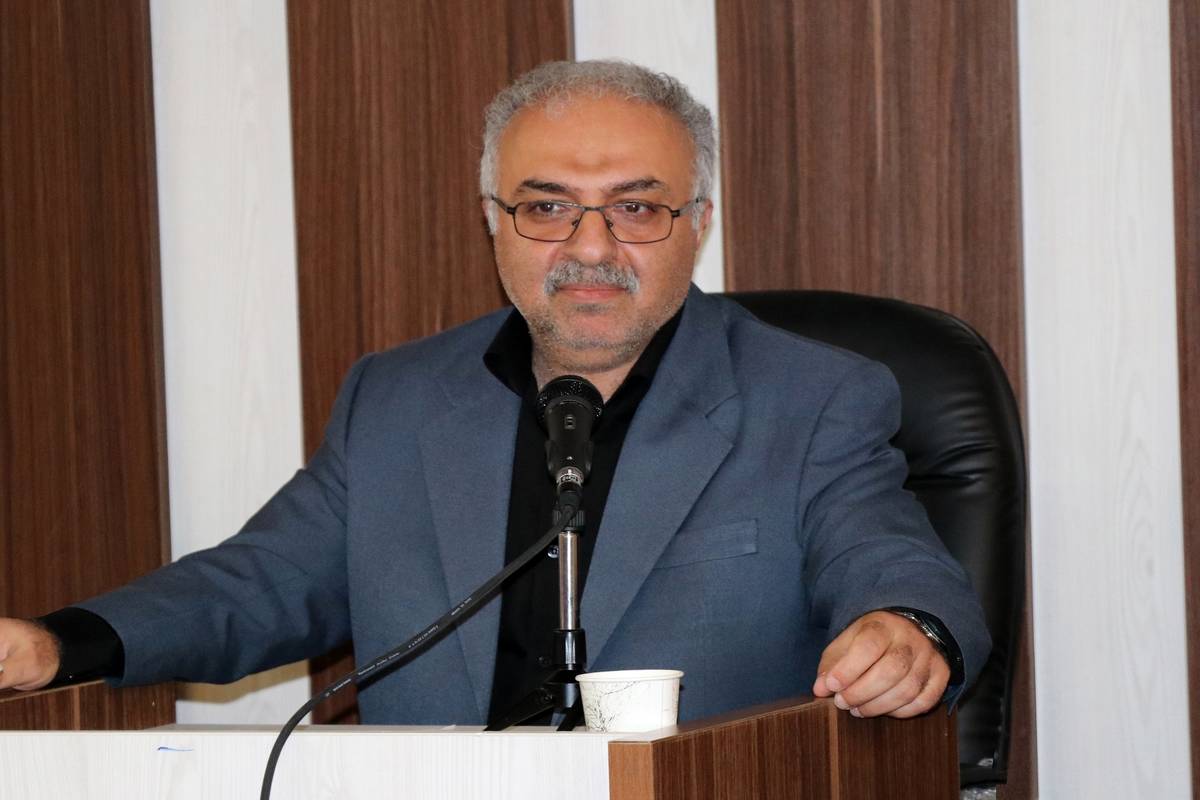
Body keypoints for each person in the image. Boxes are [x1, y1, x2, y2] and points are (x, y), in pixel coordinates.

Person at [0, 60, 988, 724]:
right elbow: (256, 585)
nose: (591, 246)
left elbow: (895, 563)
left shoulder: (812, 399)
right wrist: (58, 644)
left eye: (637, 207)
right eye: (547, 206)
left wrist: (907, 629)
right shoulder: (396, 401)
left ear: (699, 221)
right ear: (493, 219)